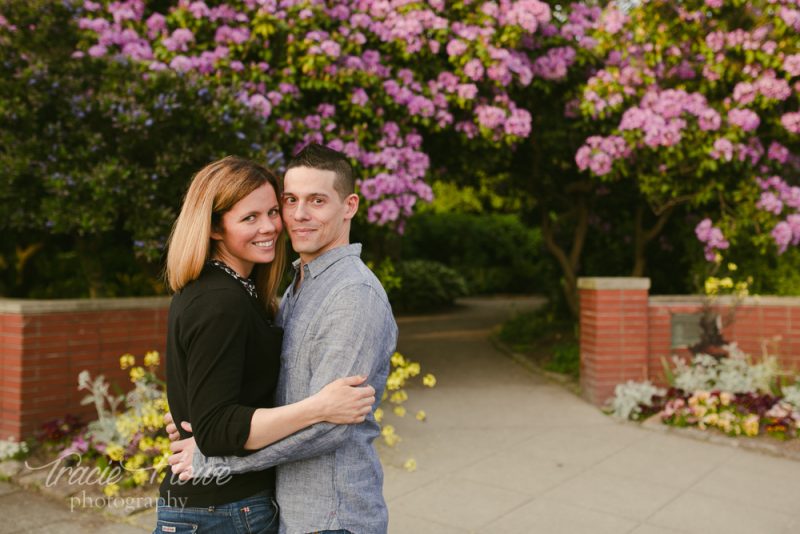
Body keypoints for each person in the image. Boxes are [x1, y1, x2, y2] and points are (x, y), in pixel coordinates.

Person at [168, 144, 398, 534]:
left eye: (317, 200)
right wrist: (200, 414)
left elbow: (331, 426)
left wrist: (214, 457)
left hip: (332, 516)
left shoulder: (353, 295)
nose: (297, 215)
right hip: (294, 512)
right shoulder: (294, 286)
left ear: (350, 206)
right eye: (289, 200)